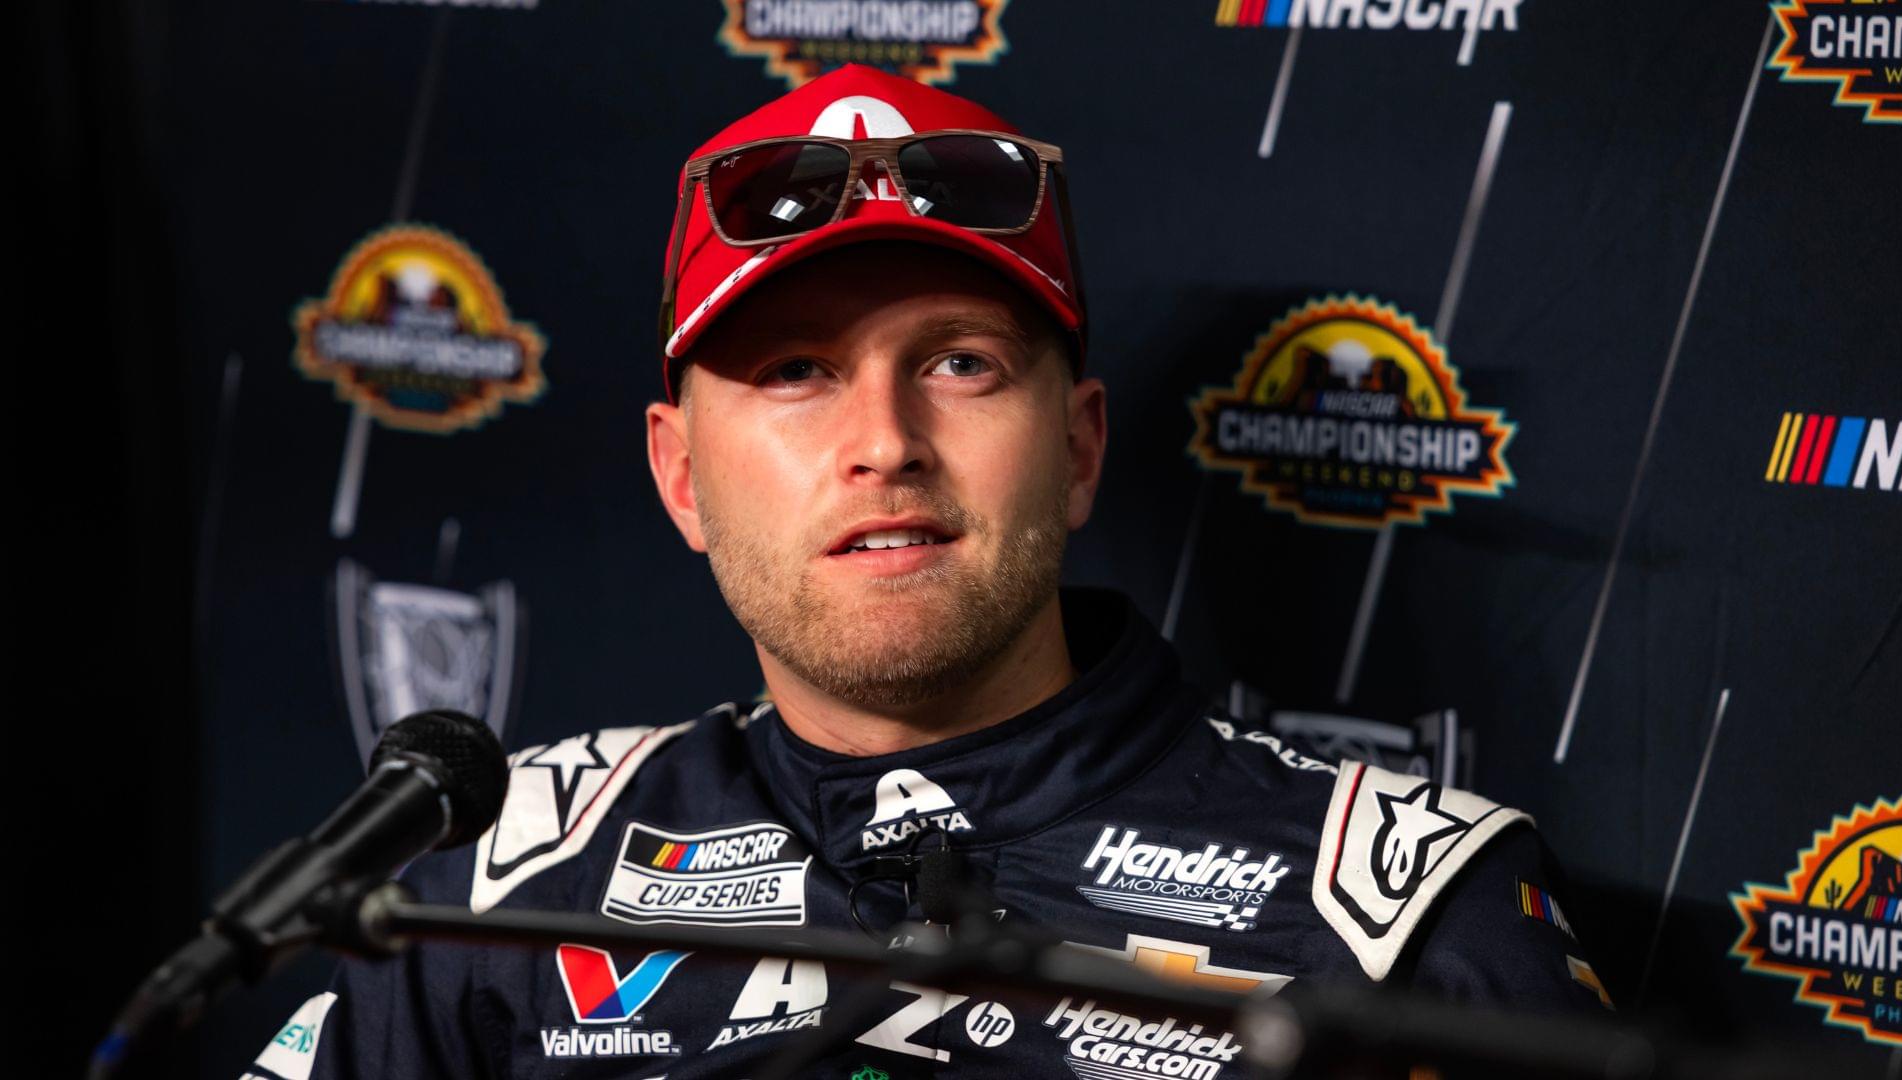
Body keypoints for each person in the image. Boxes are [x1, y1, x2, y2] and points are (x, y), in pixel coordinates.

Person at [246, 65, 1609, 1080]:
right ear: (679, 477)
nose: (885, 444)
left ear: (1077, 449)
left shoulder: (1398, 910)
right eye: (794, 373)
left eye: (960, 363)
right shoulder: (493, 885)